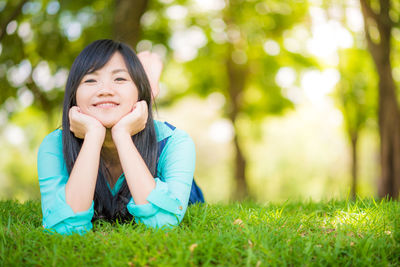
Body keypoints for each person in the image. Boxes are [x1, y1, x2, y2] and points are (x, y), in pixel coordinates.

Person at [37, 39, 204, 235]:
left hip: (166, 181)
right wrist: (93, 135)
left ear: (140, 95)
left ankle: (148, 80)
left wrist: (122, 134)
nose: (105, 90)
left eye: (120, 79)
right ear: (73, 96)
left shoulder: (174, 142)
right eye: (90, 80)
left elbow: (163, 223)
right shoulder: (54, 145)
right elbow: (63, 228)